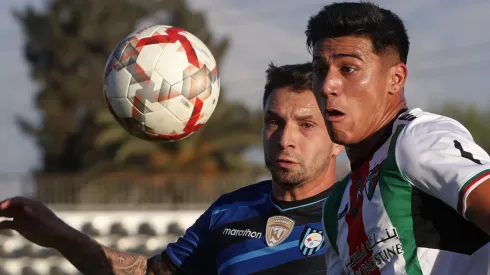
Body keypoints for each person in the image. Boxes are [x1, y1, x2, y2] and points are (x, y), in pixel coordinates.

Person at [0, 62, 343, 275]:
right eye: (274, 122)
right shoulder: (229, 211)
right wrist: (61, 236)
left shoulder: (360, 212)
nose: (285, 138)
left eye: (306, 125)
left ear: (338, 138)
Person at [305, 2, 490, 275]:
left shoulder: (416, 140)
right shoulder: (335, 208)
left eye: (348, 69)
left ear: (396, 78)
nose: (327, 86)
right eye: (320, 70)